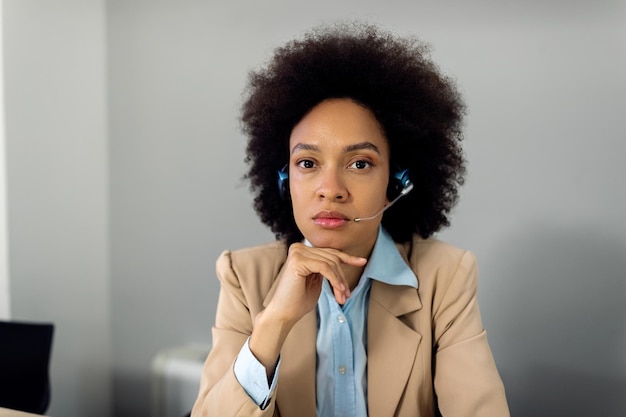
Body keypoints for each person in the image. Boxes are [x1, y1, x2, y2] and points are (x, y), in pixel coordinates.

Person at [191, 22, 510, 417]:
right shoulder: (244, 278)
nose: (330, 188)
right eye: (307, 163)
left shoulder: (445, 278)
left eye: (359, 163)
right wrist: (272, 325)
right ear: (284, 180)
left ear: (397, 182)